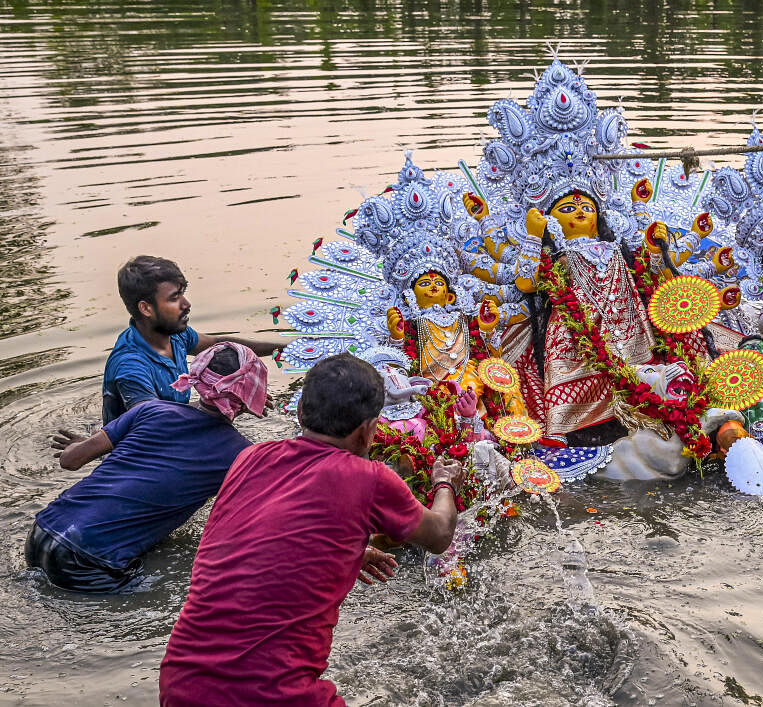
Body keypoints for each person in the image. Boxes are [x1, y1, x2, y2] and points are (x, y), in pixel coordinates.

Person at [159, 353, 465, 706]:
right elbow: (440, 534)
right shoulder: (369, 478)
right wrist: (444, 484)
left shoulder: (250, 457)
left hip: (182, 680)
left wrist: (339, 550)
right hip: (269, 693)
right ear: (369, 431)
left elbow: (244, 541)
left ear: (301, 411)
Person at [29, 343, 267, 593]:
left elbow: (70, 460)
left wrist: (92, 443)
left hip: (42, 531)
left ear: (197, 377)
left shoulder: (150, 410)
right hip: (87, 561)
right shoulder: (241, 454)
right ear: (251, 395)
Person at [103, 255, 281, 424]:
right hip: (143, 450)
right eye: (174, 297)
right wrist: (227, 400)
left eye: (182, 293)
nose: (186, 304)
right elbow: (153, 420)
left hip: (177, 433)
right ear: (146, 308)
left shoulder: (175, 335)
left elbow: (218, 344)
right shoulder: (130, 366)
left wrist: (286, 349)